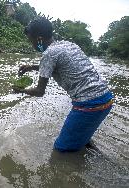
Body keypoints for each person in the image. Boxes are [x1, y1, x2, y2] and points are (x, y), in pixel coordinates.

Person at [13, 17, 114, 152]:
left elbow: (39, 91)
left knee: (61, 150)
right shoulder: (68, 45)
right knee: (83, 140)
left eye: (31, 40)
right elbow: (56, 66)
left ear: (39, 39)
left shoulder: (49, 54)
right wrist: (32, 67)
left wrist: (21, 90)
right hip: (105, 99)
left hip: (89, 105)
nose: (31, 44)